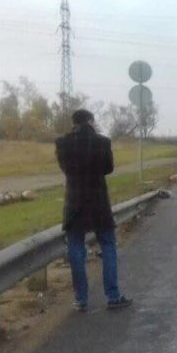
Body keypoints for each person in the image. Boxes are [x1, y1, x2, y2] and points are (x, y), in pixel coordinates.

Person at [55, 109, 132, 311]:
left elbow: (65, 168)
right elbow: (108, 168)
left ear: (74, 122)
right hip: (98, 200)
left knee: (76, 247)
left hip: (74, 202)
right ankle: (113, 296)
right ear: (90, 120)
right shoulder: (103, 141)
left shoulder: (62, 143)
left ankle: (81, 299)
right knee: (107, 245)